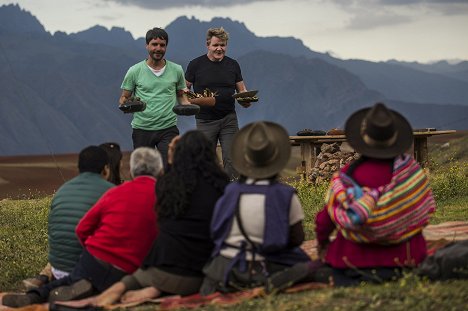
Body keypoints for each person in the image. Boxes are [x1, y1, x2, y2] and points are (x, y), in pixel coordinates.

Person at [2, 147, 162, 308]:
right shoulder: (162, 197)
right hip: (126, 267)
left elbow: (82, 228)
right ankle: (73, 299)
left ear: (133, 172)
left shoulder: (113, 193)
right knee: (107, 286)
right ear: (160, 171)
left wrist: (93, 248)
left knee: (72, 279)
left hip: (92, 258)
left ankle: (35, 296)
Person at [95, 131, 230, 305]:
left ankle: (119, 289)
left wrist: (172, 158)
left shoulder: (166, 185)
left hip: (159, 265)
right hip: (196, 272)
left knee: (133, 280)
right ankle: (156, 290)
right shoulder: (221, 188)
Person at [314, 102, 436, 286]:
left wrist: (322, 243)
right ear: (395, 139)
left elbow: (325, 220)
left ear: (363, 140)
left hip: (351, 264)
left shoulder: (346, 176)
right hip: (406, 261)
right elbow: (423, 210)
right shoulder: (411, 173)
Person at [199, 121, 313, 295]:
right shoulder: (285, 195)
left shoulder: (230, 192)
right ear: (276, 159)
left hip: (225, 266)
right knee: (312, 267)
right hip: (266, 264)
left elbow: (216, 230)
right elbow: (296, 239)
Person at [22, 146, 115, 289]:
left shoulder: (61, 191)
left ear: (78, 168)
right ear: (106, 169)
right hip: (91, 272)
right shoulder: (112, 192)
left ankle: (44, 276)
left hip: (59, 270)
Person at [185, 27, 252, 179]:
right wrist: (188, 101)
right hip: (205, 120)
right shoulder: (195, 65)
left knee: (232, 158)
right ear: (208, 45)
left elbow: (242, 89)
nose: (219, 48)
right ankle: (207, 192)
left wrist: (247, 99)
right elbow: (184, 89)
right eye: (215, 45)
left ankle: (231, 192)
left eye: (223, 45)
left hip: (229, 118)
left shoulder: (233, 65)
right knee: (205, 159)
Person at [120, 27, 190, 168]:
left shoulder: (177, 70)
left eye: (162, 45)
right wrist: (127, 105)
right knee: (144, 170)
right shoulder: (135, 71)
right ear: (147, 46)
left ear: (166, 47)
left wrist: (187, 106)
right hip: (142, 129)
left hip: (168, 127)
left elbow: (181, 96)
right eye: (154, 44)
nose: (158, 48)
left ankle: (167, 191)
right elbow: (123, 98)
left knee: (170, 167)